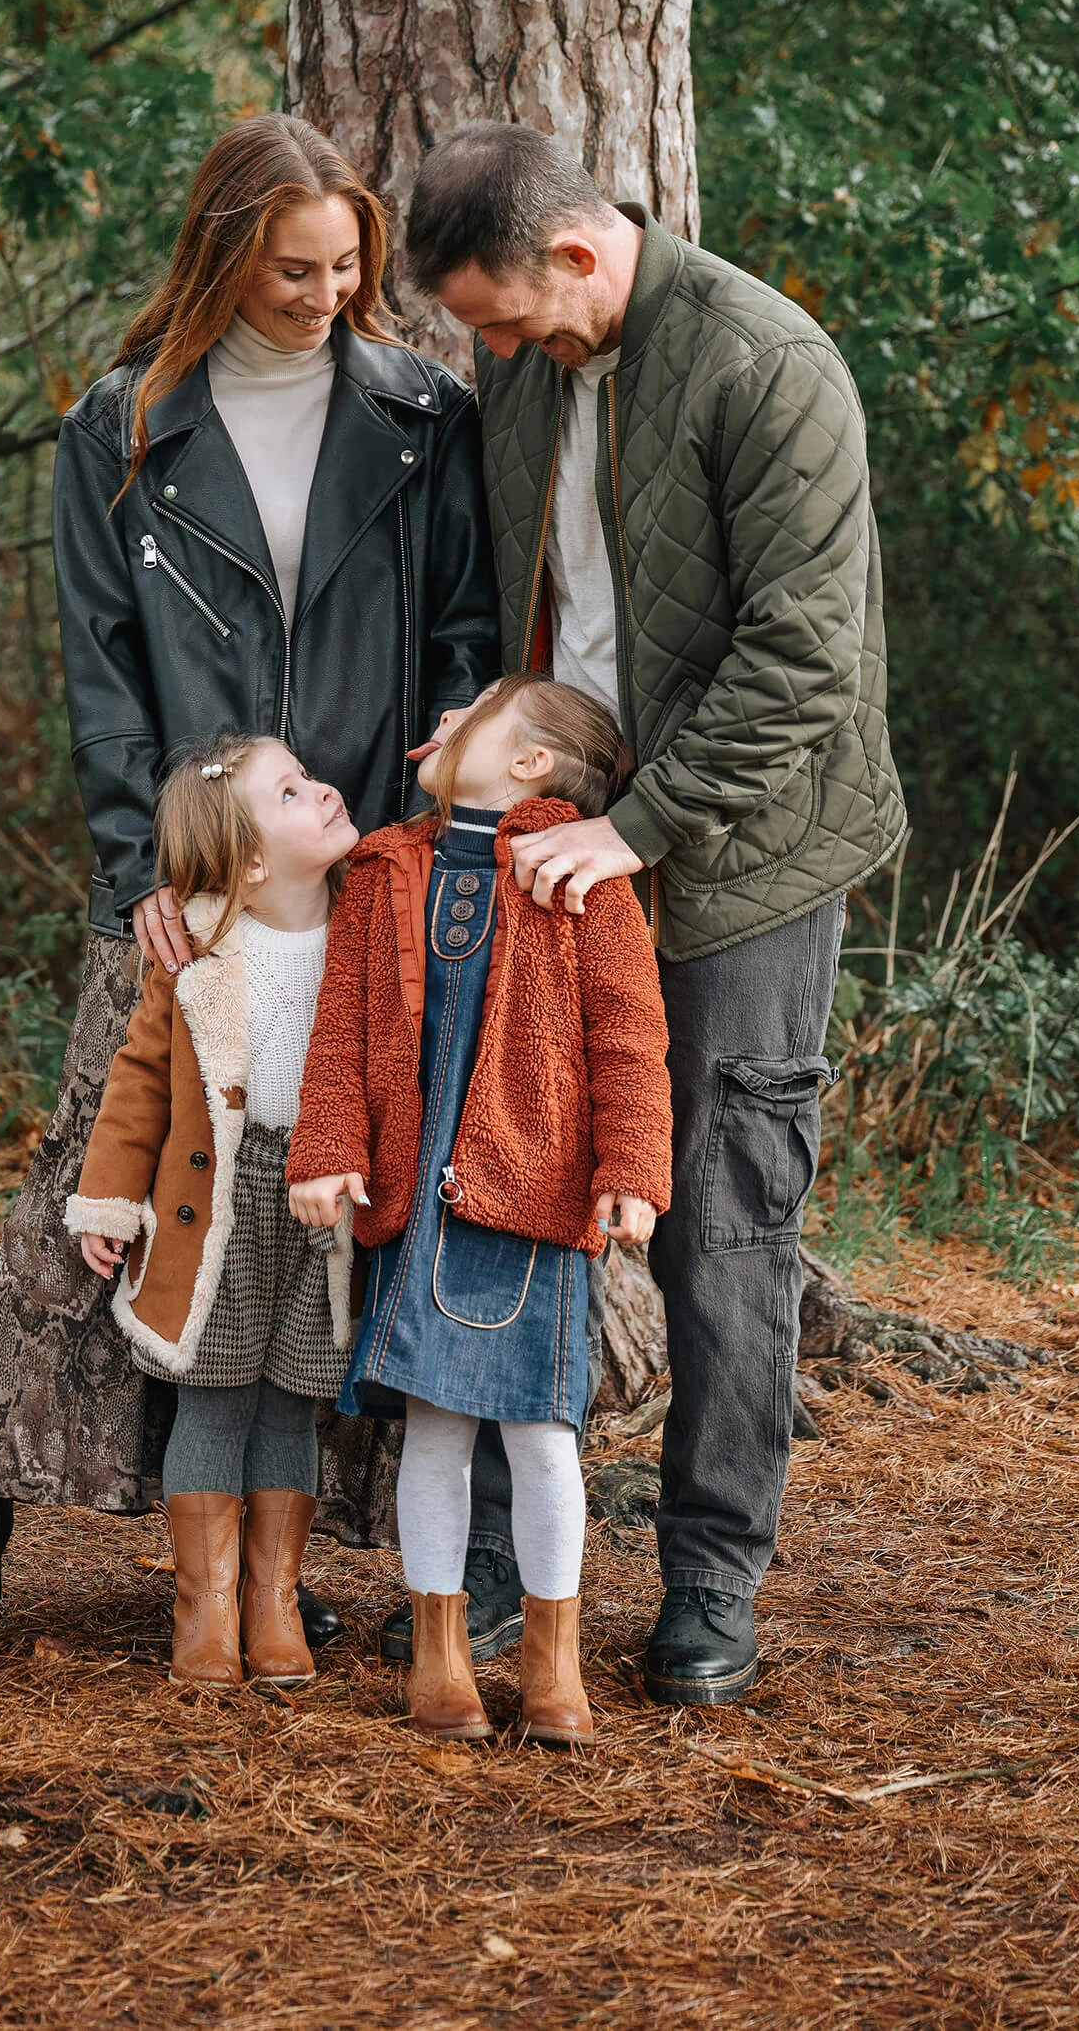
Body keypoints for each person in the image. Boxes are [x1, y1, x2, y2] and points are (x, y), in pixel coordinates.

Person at [0, 115, 496, 1679]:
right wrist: (140, 881)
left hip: (355, 870)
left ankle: (310, 1564)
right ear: (226, 252)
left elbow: (460, 637)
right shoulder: (122, 425)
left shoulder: (427, 416)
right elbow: (100, 678)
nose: (323, 295)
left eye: (346, 267)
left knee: (325, 1211)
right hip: (180, 877)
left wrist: (422, 837)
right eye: (292, 268)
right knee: (84, 1201)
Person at [401, 123, 907, 1707]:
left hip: (739, 855)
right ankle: (488, 1573)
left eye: (496, 317)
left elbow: (804, 663)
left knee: (721, 1221)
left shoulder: (770, 362)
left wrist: (637, 832)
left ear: (576, 251)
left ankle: (708, 1581)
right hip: (553, 835)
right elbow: (513, 588)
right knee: (495, 1175)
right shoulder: (528, 368)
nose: (486, 352)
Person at [287, 675, 673, 1745]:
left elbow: (627, 1035)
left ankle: (553, 1664)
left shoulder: (583, 878)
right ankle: (440, 1652)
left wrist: (632, 1165)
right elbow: (343, 1027)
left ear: (530, 763)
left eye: (473, 713)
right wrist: (327, 1146)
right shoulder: (381, 869)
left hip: (531, 1193)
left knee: (542, 1437)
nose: (442, 718)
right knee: (436, 1429)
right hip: (417, 1200)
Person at [69, 735, 358, 1691]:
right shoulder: (199, 947)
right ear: (250, 864)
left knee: (292, 1403)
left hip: (323, 1214)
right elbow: (141, 1078)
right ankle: (206, 1605)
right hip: (218, 1209)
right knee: (215, 1396)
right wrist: (107, 1198)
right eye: (290, 790)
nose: (321, 789)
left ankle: (276, 1600)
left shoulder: (367, 928)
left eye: (305, 776)